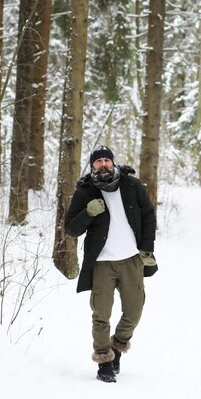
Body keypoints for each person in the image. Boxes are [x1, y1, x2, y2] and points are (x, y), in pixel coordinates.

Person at [64, 145, 157, 383]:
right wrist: (88, 212)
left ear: (113, 163)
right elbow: (71, 228)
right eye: (98, 161)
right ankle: (104, 362)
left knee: (134, 311)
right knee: (101, 315)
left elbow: (148, 215)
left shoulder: (131, 185)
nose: (103, 164)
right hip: (102, 263)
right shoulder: (85, 192)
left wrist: (147, 248)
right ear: (92, 165)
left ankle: (117, 347)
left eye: (107, 160)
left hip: (131, 260)